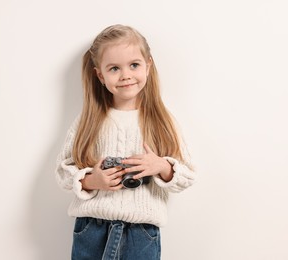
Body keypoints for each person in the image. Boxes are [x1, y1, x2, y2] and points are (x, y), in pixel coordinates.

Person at [55, 24, 195, 260]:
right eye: (114, 68)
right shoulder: (90, 121)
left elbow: (187, 175)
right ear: (100, 75)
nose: (126, 75)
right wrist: (91, 180)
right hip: (91, 228)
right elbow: (62, 171)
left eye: (134, 65)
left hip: (141, 233)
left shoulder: (161, 120)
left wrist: (161, 166)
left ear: (148, 66)